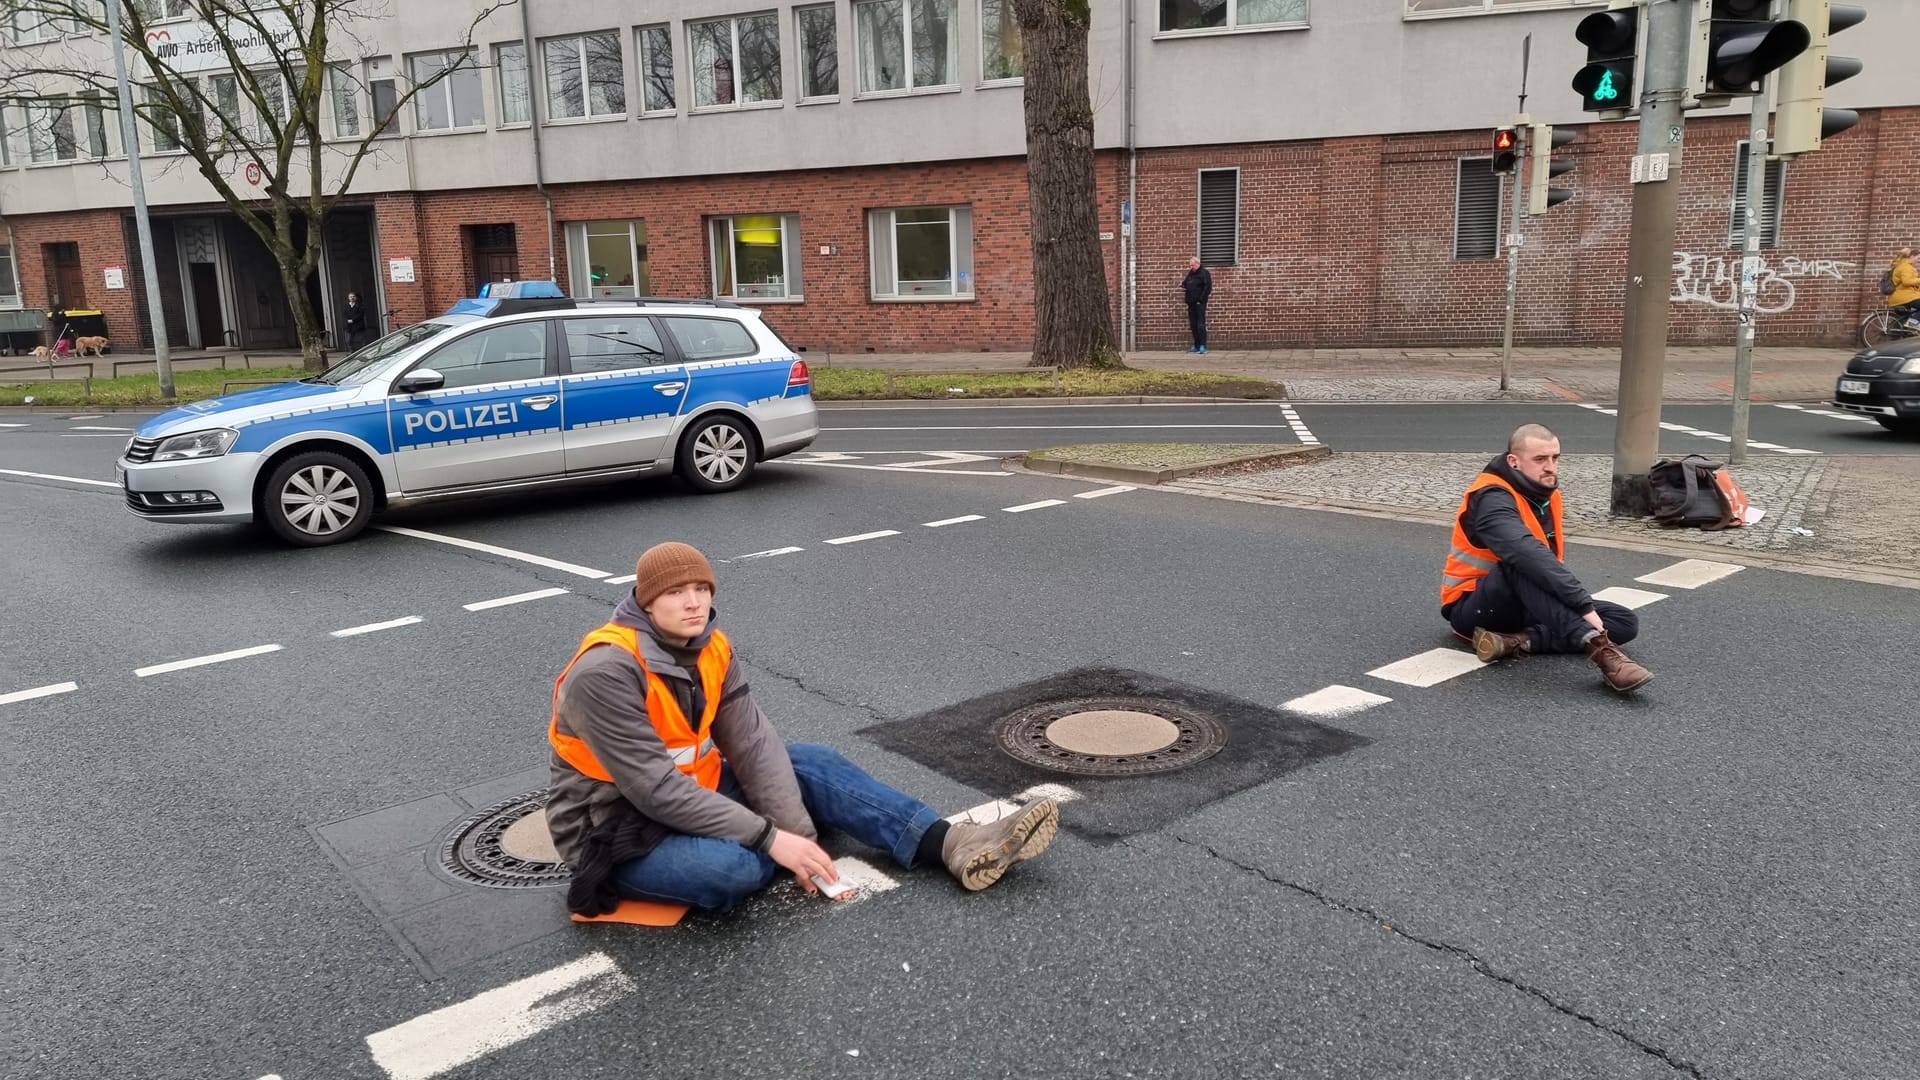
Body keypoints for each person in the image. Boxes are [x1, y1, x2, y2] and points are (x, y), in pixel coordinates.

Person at [546, 542, 1062, 916]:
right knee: (731, 872)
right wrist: (773, 838)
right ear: (645, 601)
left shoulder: (712, 647)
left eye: (701, 588)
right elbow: (655, 790)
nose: (694, 602)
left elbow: (751, 744)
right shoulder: (606, 671)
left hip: (696, 792)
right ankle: (762, 841)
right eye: (677, 592)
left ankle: (951, 844)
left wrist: (797, 835)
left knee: (810, 760)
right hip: (615, 828)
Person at [1440, 424, 1653, 693]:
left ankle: (1515, 642)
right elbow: (1524, 552)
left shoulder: (1546, 495)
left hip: (1525, 602)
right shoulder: (1490, 497)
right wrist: (1581, 604)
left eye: (1555, 458)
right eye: (1540, 459)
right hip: (1474, 606)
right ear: (1513, 462)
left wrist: (1576, 606)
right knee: (1519, 565)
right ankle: (1601, 651)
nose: (1551, 467)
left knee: (1623, 621)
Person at [1182, 256, 1212, 354]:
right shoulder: (1191, 274)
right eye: (1190, 265)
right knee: (1193, 325)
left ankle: (1203, 345)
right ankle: (1196, 345)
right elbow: (1185, 283)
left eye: (1192, 265)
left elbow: (1207, 287)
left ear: (1197, 264)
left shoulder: (1204, 273)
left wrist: (1201, 299)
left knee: (1200, 324)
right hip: (1191, 302)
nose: (1191, 267)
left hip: (1199, 303)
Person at [1887, 247, 1920, 329]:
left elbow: (1912, 284)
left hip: (1903, 296)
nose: (1919, 260)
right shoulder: (1906, 267)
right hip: (1905, 297)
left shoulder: (1904, 266)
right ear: (1911, 256)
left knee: (1904, 320)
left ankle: (1896, 334)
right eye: (1918, 258)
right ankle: (1913, 323)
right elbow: (1906, 281)